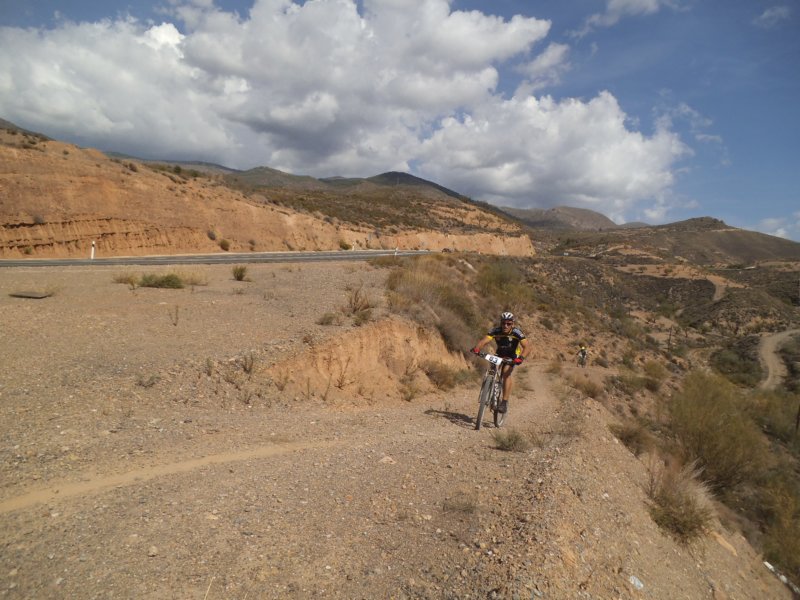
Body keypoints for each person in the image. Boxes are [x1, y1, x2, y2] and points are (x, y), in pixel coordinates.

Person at [471, 311, 529, 414]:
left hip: (512, 356)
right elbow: (484, 341)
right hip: (500, 354)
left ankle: (504, 402)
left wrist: (521, 358)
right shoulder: (496, 331)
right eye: (503, 323)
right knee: (493, 369)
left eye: (508, 323)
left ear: (512, 324)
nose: (505, 326)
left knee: (506, 373)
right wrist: (477, 349)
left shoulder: (517, 332)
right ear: (500, 323)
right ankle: (490, 385)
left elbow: (527, 347)